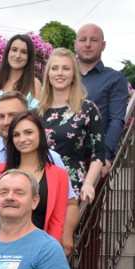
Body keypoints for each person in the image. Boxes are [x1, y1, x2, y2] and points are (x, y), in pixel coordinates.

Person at [0, 110, 70, 247]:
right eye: (16, 135)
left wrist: (52, 251)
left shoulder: (59, 174)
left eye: (28, 132)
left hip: (40, 248)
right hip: (2, 247)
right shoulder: (0, 171)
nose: (22, 139)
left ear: (40, 134)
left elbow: (57, 221)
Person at [0, 91, 70, 200]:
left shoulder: (52, 158)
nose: (6, 122)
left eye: (12, 115)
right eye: (1, 116)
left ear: (26, 116)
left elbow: (68, 203)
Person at [38, 48, 105, 203]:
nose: (59, 73)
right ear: (48, 74)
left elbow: (98, 153)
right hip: (41, 184)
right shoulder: (36, 113)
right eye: (54, 68)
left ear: (74, 74)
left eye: (66, 68)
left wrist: (88, 184)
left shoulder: (87, 109)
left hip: (72, 184)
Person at [75, 23, 129, 178]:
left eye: (94, 40)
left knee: (89, 202)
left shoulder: (114, 79)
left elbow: (117, 120)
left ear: (103, 45)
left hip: (92, 159)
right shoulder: (64, 76)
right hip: (60, 156)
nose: (87, 44)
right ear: (75, 44)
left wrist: (104, 156)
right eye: (83, 39)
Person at [0, 34, 43, 110]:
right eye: (14, 50)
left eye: (24, 52)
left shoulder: (34, 85)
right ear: (7, 52)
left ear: (29, 57)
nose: (18, 55)